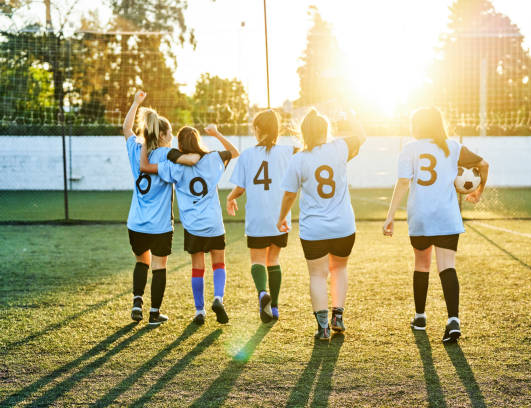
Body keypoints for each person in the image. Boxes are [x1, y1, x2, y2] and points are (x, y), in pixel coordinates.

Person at [382, 107, 489, 343]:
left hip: (420, 216)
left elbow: (402, 183)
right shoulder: (453, 147)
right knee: (446, 266)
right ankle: (453, 320)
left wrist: (390, 215)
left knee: (421, 264)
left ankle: (420, 317)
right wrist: (478, 191)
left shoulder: (410, 149)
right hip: (447, 217)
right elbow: (484, 165)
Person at [277, 109, 366, 340]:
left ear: (303, 132)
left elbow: (289, 195)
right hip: (343, 226)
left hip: (313, 228)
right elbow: (361, 135)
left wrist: (281, 218)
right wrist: (348, 114)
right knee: (339, 269)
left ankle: (323, 327)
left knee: (317, 275)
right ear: (326, 130)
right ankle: (338, 315)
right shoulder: (339, 148)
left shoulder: (298, 158)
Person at [140, 124, 239, 325]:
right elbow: (235, 152)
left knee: (197, 267)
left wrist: (145, 143)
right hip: (213, 223)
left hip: (193, 226)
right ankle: (218, 298)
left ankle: (199, 311)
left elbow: (146, 167)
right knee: (219, 263)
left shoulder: (176, 166)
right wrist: (216, 133)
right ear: (198, 141)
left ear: (181, 145)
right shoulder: (213, 158)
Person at [123, 90, 199, 326]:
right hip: (159, 225)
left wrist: (136, 103)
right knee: (159, 266)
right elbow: (192, 159)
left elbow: (127, 128)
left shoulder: (136, 148)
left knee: (141, 262)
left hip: (136, 222)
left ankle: (137, 302)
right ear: (164, 134)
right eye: (171, 133)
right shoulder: (168, 154)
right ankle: (154, 314)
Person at [226, 110, 297, 323]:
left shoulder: (247, 155)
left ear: (257, 130)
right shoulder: (288, 151)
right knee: (273, 260)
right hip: (280, 217)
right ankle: (274, 306)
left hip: (257, 218)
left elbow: (240, 187)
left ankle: (261, 293)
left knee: (257, 260)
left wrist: (230, 198)